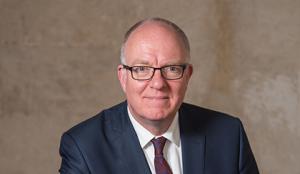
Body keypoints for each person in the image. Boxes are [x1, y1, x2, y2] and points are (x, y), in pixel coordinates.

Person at [59, 17, 259, 174]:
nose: (157, 83)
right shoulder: (84, 146)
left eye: (171, 69)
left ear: (187, 75)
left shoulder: (229, 135)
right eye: (142, 69)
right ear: (123, 77)